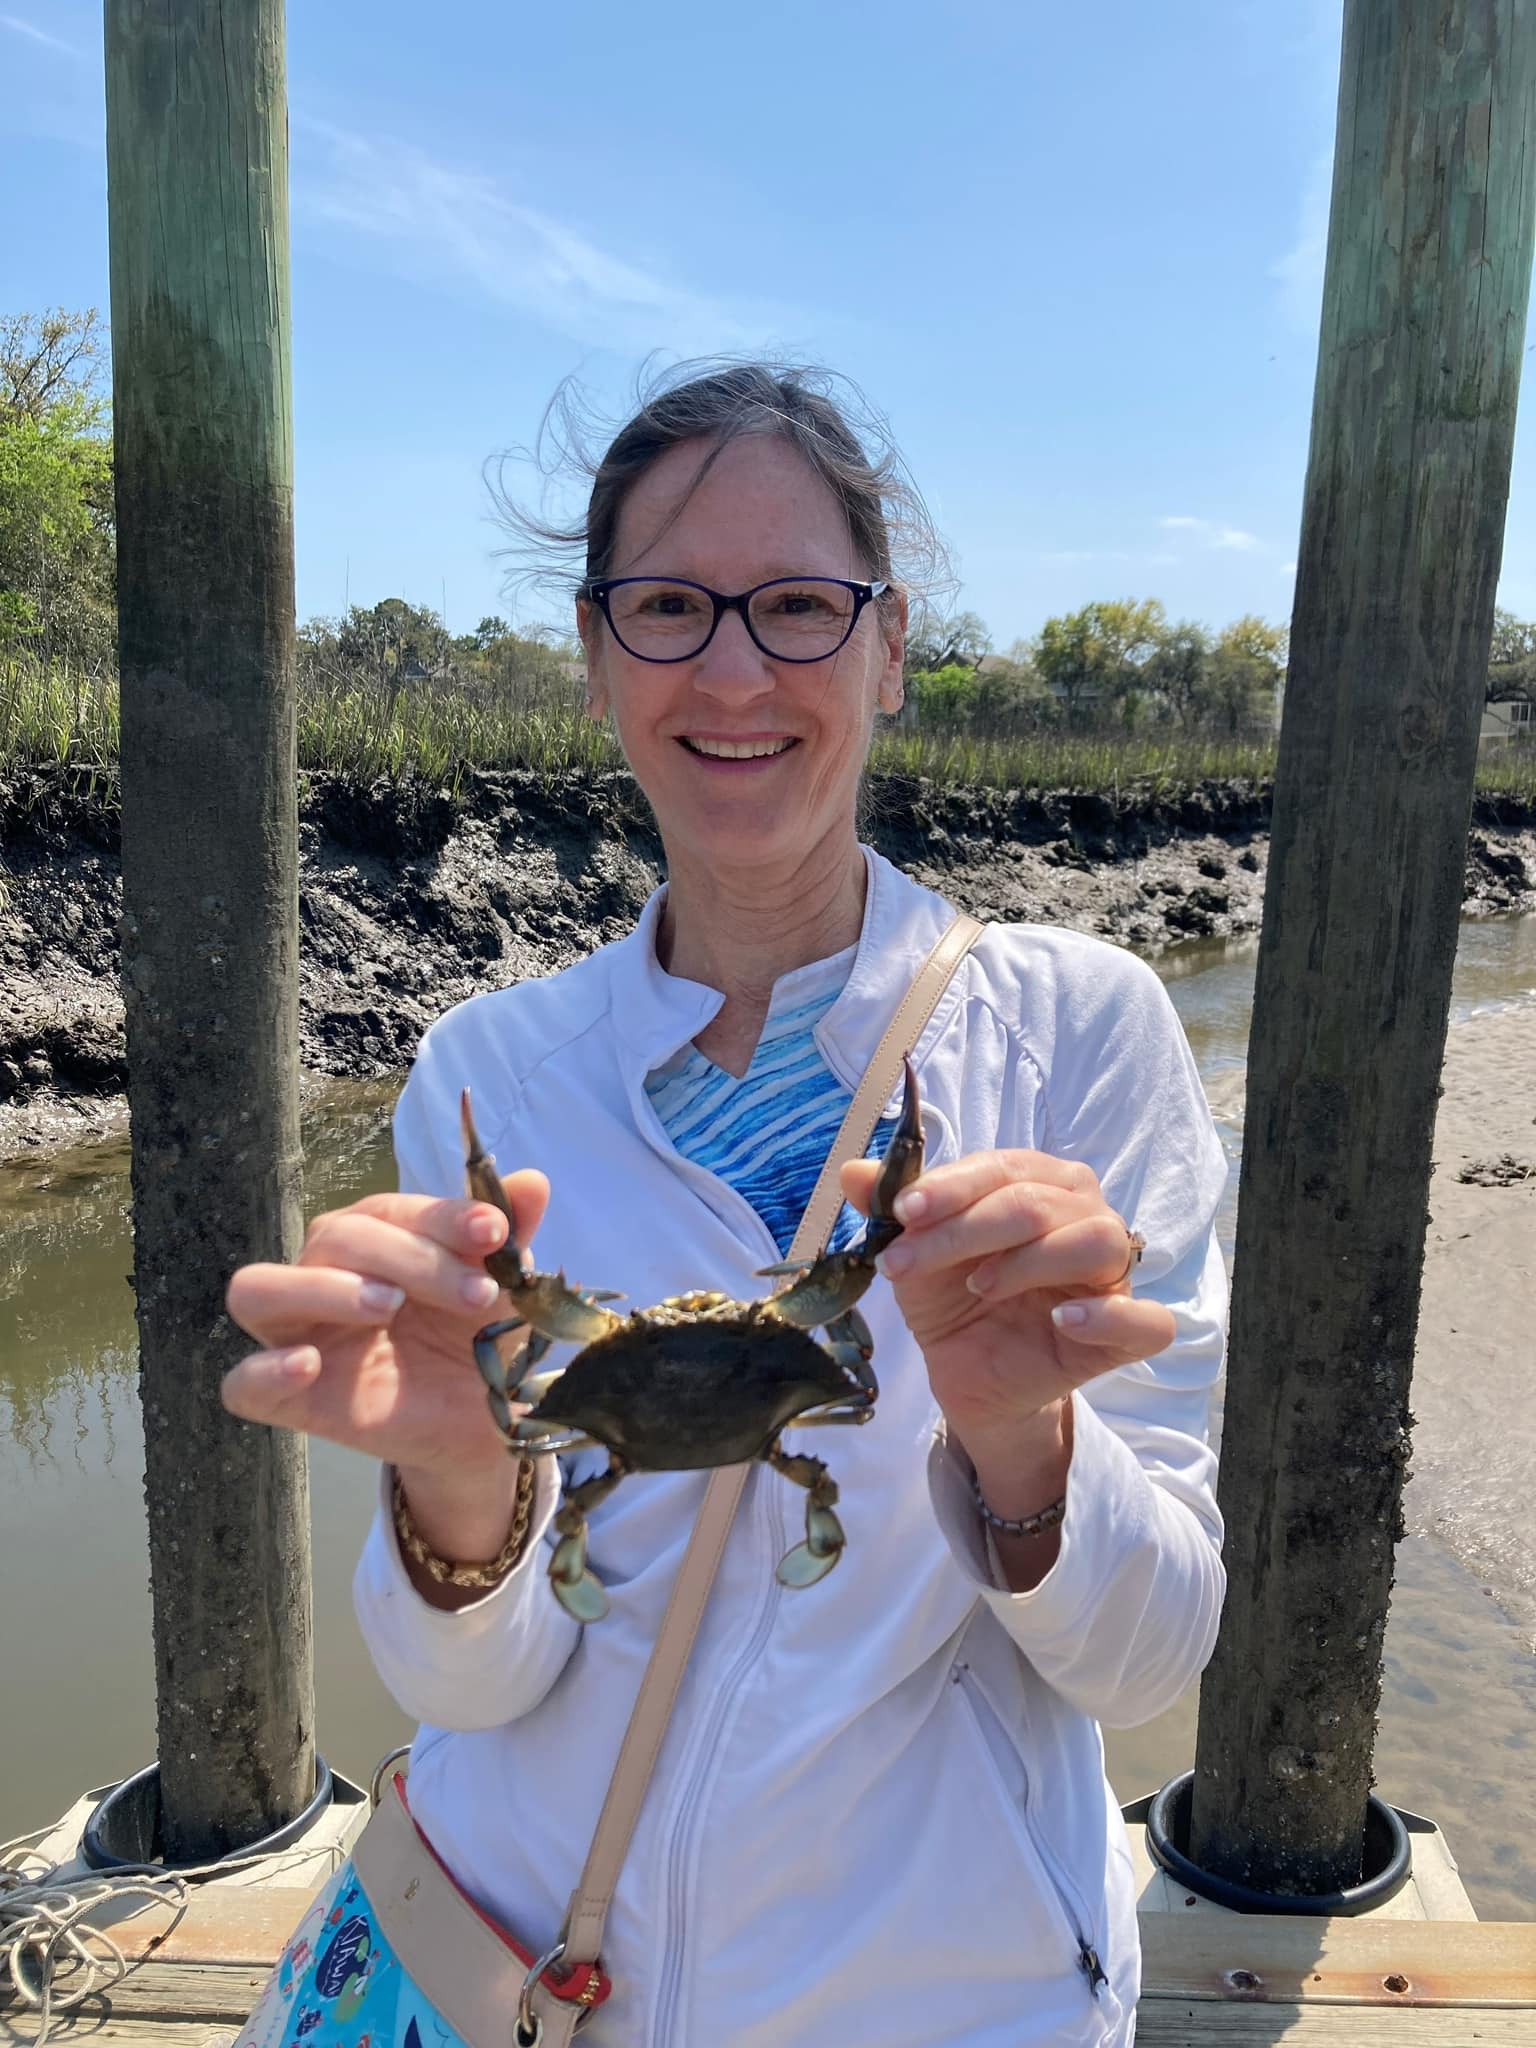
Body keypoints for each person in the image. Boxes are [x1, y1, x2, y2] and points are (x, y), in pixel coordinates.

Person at [224, 362, 1229, 2048]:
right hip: (526, 1970)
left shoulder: (1080, 1034)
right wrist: (459, 1493)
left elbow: (1143, 1672)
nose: (738, 668)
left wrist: (1027, 1448)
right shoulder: (491, 1075)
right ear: (600, 656)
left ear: (891, 648)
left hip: (941, 2004)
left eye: (800, 608)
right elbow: (466, 1691)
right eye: (673, 607)